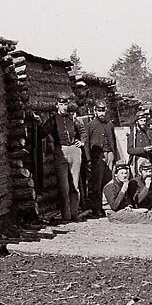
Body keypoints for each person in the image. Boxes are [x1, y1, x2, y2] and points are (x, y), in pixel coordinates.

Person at [43, 94, 84, 223]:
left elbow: (82, 130)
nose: (64, 107)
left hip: (74, 150)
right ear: (57, 106)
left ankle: (74, 213)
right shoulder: (53, 120)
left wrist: (82, 141)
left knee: (75, 184)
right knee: (64, 186)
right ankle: (66, 215)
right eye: (61, 104)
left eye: (65, 104)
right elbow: (43, 132)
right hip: (60, 151)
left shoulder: (73, 118)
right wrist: (38, 122)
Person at [84, 100, 120, 218]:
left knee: (109, 181)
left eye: (103, 110)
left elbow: (114, 141)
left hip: (109, 154)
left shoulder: (109, 125)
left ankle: (110, 206)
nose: (101, 113)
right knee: (97, 184)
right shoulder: (90, 125)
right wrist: (88, 159)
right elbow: (87, 143)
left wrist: (116, 157)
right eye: (99, 110)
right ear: (95, 111)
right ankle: (97, 209)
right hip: (98, 157)